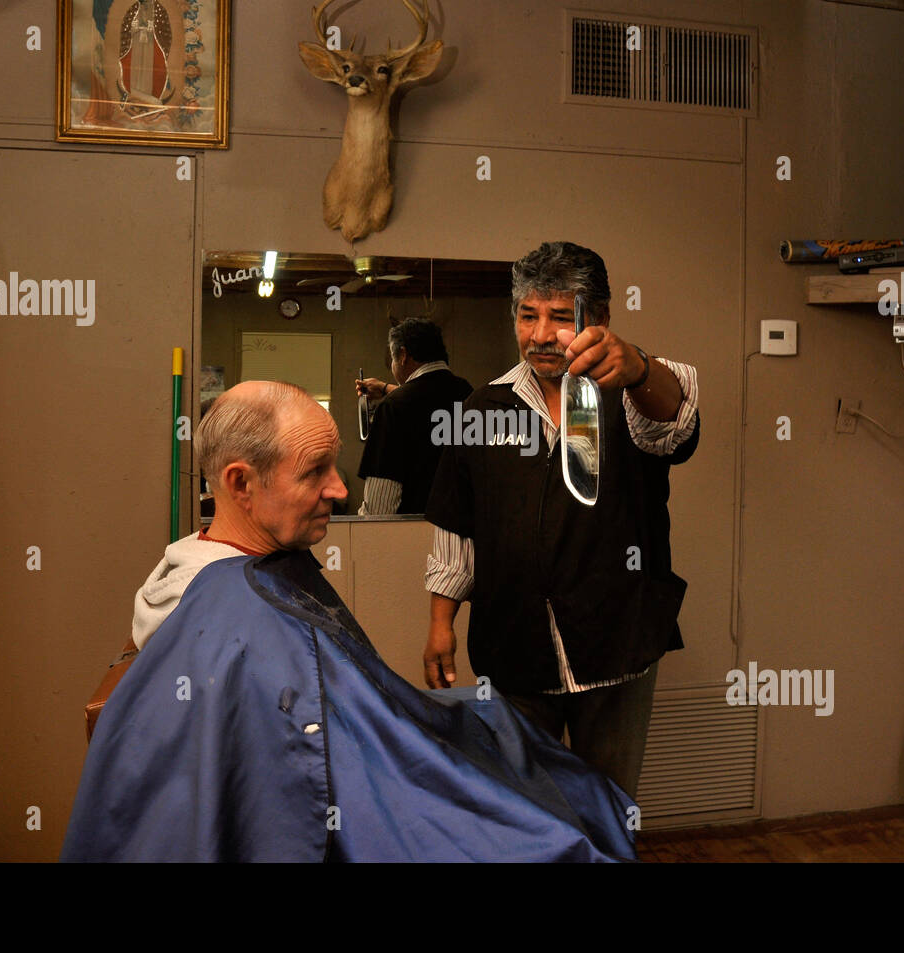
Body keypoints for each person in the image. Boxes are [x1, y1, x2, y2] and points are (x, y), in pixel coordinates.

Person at [61, 380, 635, 862]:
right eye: (315, 472)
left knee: (511, 740)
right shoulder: (233, 613)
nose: (340, 488)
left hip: (394, 750)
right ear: (240, 482)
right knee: (561, 827)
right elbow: (337, 783)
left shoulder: (238, 565)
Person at [422, 241, 700, 799]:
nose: (541, 335)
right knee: (528, 813)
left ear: (598, 318)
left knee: (610, 807)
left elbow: (676, 424)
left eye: (560, 317)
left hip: (617, 649)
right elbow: (456, 528)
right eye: (528, 316)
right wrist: (439, 624)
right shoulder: (481, 409)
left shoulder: (637, 391)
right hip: (514, 652)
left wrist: (640, 368)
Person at [354, 318, 473, 515]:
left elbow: (379, 507)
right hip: (464, 529)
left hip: (411, 533)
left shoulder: (393, 408)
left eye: (392, 359)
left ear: (402, 355)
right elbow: (429, 400)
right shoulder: (470, 395)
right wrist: (386, 389)